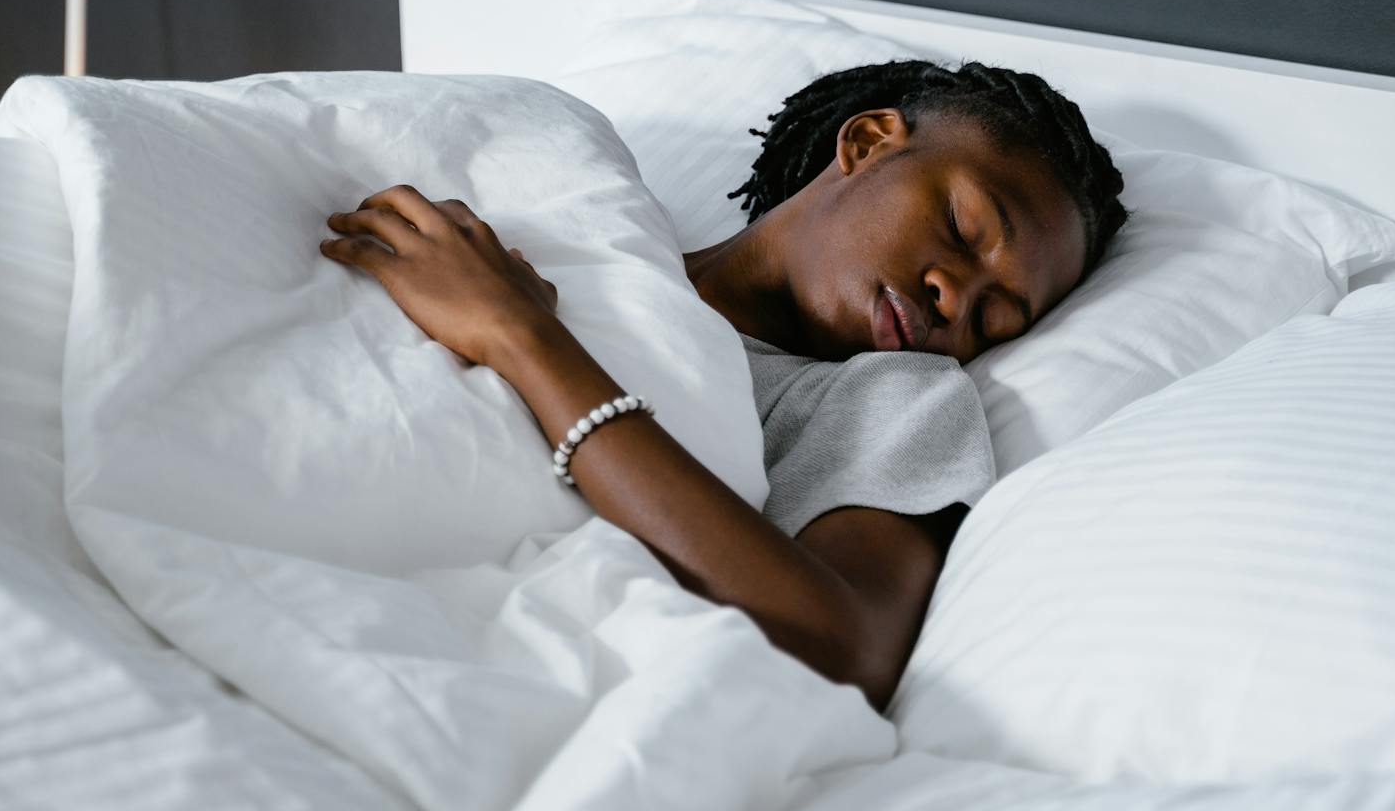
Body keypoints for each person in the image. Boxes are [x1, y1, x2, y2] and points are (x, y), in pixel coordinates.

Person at [320, 59, 1129, 712]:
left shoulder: (890, 398)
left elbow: (848, 647)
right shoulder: (590, 228)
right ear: (869, 142)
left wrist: (525, 340)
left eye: (995, 319)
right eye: (962, 228)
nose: (957, 300)